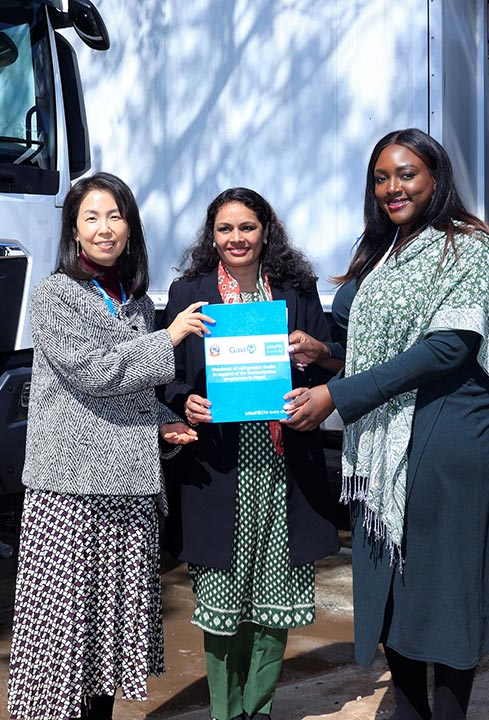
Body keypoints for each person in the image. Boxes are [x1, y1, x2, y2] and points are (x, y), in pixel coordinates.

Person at [282, 128, 489, 720]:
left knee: (443, 591)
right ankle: (407, 708)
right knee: (390, 582)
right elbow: (376, 349)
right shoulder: (381, 249)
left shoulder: (467, 247)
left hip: (447, 435)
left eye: (406, 174)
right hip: (381, 441)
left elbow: (446, 350)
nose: (392, 187)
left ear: (435, 178)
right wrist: (325, 357)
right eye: (381, 177)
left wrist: (336, 397)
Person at [7, 172, 213, 720]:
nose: (104, 228)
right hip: (69, 492)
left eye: (115, 216)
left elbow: (132, 391)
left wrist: (167, 421)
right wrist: (168, 337)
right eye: (92, 217)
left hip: (128, 488)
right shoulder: (55, 295)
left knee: (104, 641)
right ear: (74, 229)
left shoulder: (137, 300)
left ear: (130, 227)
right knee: (58, 641)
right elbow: (94, 371)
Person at [157, 187, 340, 720]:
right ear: (211, 236)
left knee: (273, 604)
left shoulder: (295, 290)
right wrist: (183, 402)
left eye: (247, 228)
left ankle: (258, 709)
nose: (237, 239)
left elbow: (331, 360)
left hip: (284, 466)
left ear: (266, 232)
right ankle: (225, 711)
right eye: (225, 229)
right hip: (218, 467)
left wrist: (317, 350)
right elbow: (166, 373)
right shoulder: (188, 293)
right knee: (221, 603)